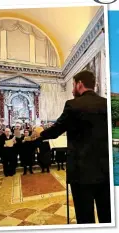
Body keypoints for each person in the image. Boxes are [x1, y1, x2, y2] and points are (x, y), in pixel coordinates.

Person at [37, 70, 111, 224]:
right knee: (107, 215)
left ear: (79, 84)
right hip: (106, 170)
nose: (72, 90)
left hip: (81, 172)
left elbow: (56, 130)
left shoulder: (73, 105)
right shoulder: (107, 104)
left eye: (73, 85)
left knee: (85, 217)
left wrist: (40, 133)